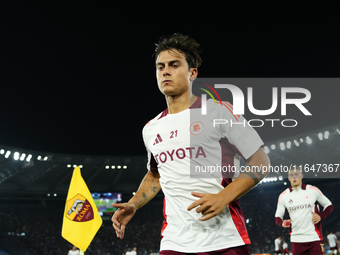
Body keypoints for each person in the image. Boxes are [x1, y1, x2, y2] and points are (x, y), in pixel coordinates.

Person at [112, 33, 270, 254]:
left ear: (192, 73)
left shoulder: (218, 111)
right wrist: (134, 203)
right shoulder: (151, 128)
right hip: (175, 242)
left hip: (224, 239)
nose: (165, 71)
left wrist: (223, 197)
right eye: (160, 67)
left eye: (174, 65)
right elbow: (155, 175)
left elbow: (261, 161)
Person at [275, 166, 333, 255]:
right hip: (296, 240)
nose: (294, 177)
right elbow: (278, 217)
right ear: (289, 178)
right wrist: (282, 223)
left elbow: (329, 205)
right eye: (291, 175)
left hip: (314, 238)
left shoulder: (313, 190)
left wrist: (320, 216)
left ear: (301, 176)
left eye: (296, 174)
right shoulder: (283, 196)